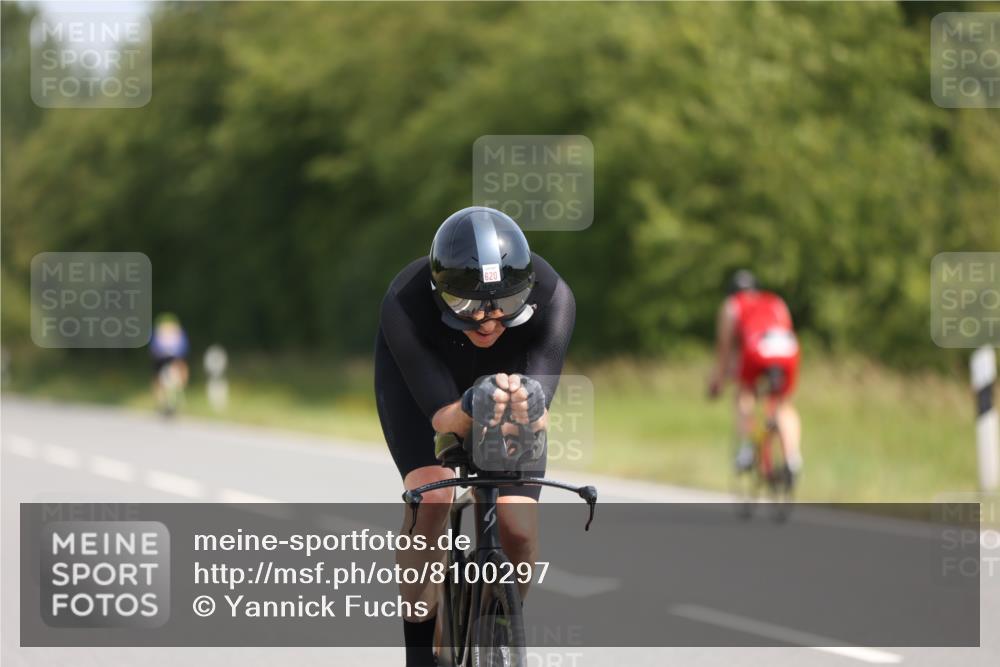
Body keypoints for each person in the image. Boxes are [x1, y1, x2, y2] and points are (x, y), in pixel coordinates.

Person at [374, 206, 575, 667]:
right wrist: (467, 407)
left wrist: (528, 404)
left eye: (504, 307)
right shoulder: (405, 300)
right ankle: (419, 649)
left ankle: (500, 623)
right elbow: (444, 417)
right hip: (431, 389)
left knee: (518, 530)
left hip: (511, 383)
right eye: (467, 307)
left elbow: (539, 411)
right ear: (440, 292)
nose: (487, 322)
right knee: (432, 500)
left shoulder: (554, 294)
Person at [708, 270, 802, 482]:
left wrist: (718, 381)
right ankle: (792, 458)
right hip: (787, 348)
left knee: (744, 393)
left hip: (757, 347)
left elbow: (724, 349)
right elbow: (786, 328)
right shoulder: (775, 301)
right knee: (783, 404)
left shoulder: (732, 305)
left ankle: (746, 450)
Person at [150, 312, 190, 411]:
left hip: (174, 359)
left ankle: (176, 399)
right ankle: (161, 402)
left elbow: (184, 347)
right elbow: (154, 347)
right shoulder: (158, 334)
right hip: (161, 359)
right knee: (158, 379)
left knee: (180, 373)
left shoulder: (179, 334)